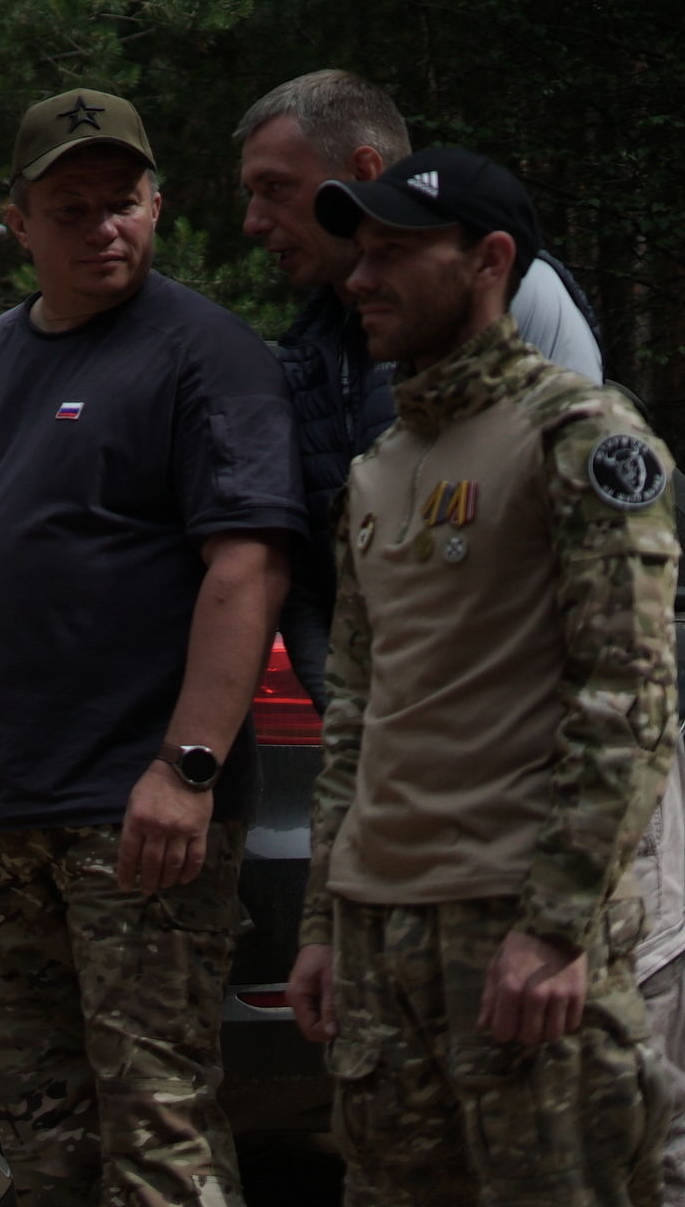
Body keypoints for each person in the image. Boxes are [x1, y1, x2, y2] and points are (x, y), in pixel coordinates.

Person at [0, 91, 301, 1207]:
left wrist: (188, 764)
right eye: (71, 207)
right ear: (18, 221)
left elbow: (245, 565)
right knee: (35, 1126)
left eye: (124, 202)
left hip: (136, 811)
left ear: (159, 204)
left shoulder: (208, 354)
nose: (103, 226)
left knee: (156, 1124)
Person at [284, 149, 679, 1205]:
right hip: (379, 939)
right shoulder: (380, 465)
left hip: (512, 930)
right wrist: (324, 921)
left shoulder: (580, 439)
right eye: (356, 253)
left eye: (394, 253)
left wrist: (553, 929)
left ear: (488, 260)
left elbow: (628, 701)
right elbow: (356, 717)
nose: (359, 276)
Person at [237, 69, 604, 704]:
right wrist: (359, 737)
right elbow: (316, 580)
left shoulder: (517, 295)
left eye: (275, 189)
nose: (253, 221)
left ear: (365, 169)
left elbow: (584, 586)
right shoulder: (309, 354)